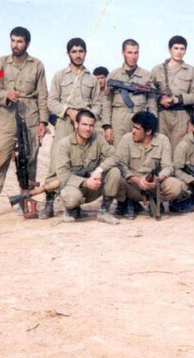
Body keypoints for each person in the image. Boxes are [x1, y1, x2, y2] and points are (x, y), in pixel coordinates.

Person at [0, 26, 49, 218]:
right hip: (8, 117)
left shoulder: (37, 65)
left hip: (31, 116)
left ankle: (25, 200)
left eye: (19, 41)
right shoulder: (1, 64)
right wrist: (6, 95)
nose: (15, 45)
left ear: (27, 43)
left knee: (29, 160)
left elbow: (43, 94)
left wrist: (43, 121)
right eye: (13, 40)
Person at [44, 38, 101, 218]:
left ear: (85, 53)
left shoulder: (92, 79)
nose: (78, 55)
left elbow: (98, 104)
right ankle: (49, 202)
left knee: (82, 163)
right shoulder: (59, 76)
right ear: (68, 53)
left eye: (81, 51)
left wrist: (85, 117)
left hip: (85, 127)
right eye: (74, 51)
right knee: (56, 163)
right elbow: (51, 102)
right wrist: (69, 112)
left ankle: (75, 203)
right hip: (64, 125)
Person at [114, 111, 189, 219]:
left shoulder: (163, 140)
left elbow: (168, 167)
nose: (133, 131)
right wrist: (137, 180)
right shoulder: (126, 139)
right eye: (133, 127)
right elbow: (121, 165)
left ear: (148, 131)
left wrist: (157, 179)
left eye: (137, 128)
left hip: (154, 185)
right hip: (132, 185)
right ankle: (127, 202)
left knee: (177, 186)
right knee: (113, 177)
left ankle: (156, 200)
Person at [55, 109, 123, 224]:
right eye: (84, 124)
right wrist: (86, 183)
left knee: (114, 171)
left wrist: (99, 170)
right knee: (72, 198)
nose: (88, 129)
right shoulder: (64, 144)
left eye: (91, 125)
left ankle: (104, 211)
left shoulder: (98, 138)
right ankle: (71, 209)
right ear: (76, 124)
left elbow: (115, 156)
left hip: (94, 186)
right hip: (75, 186)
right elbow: (63, 175)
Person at [102, 39, 157, 146]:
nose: (133, 56)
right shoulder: (113, 75)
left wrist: (152, 125)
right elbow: (106, 103)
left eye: (136, 53)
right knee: (118, 152)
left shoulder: (147, 75)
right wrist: (107, 127)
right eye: (130, 53)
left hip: (140, 120)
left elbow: (152, 103)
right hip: (118, 121)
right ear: (123, 53)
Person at [150, 35, 194, 151]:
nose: (179, 52)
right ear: (169, 49)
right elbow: (150, 94)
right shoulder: (157, 70)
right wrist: (160, 101)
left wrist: (178, 99)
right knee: (160, 149)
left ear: (185, 51)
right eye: (176, 48)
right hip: (162, 116)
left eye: (182, 49)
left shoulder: (191, 70)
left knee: (178, 149)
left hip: (181, 115)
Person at [93, 66, 109, 135]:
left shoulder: (111, 92)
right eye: (97, 78)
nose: (99, 81)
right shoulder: (92, 92)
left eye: (102, 78)